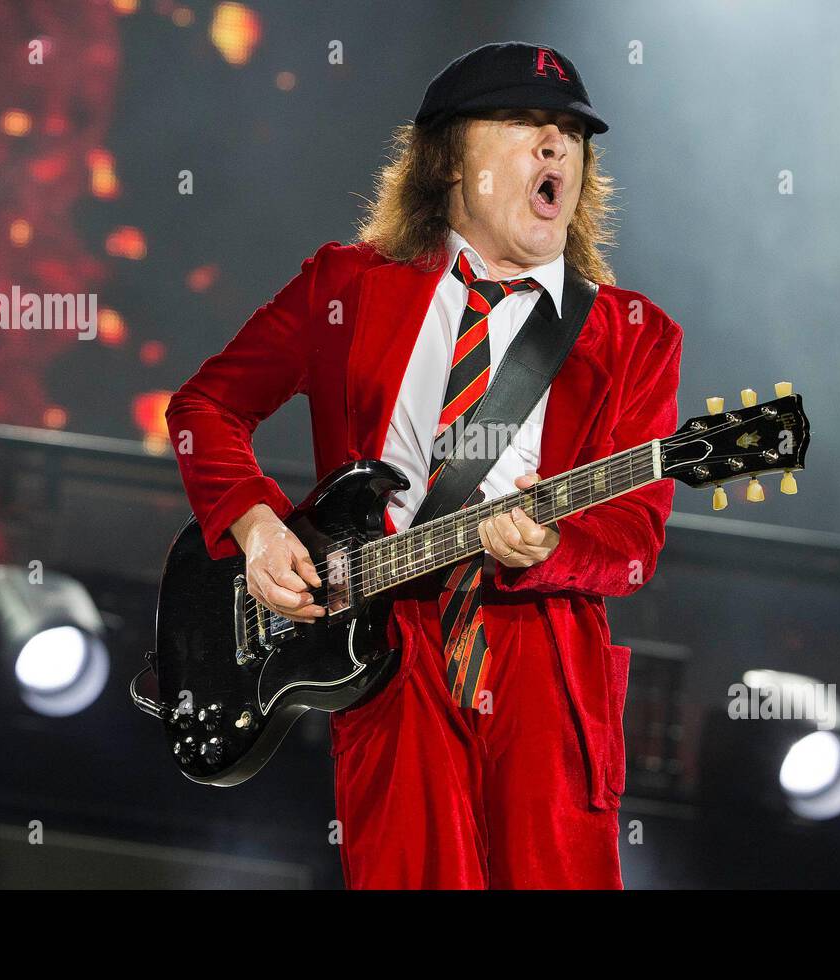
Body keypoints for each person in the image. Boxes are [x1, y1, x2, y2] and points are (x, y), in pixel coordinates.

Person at [166, 41, 684, 888]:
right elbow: (204, 409)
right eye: (525, 124)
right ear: (447, 160)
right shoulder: (348, 287)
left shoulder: (633, 336)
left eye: (571, 134)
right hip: (382, 651)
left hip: (542, 666)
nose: (557, 146)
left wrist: (554, 548)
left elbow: (635, 541)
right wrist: (257, 531)